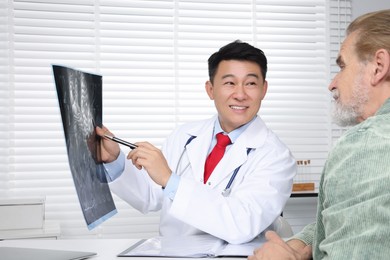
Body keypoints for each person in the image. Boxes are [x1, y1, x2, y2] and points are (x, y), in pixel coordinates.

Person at [96, 40, 296, 244]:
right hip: (174, 255)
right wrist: (114, 159)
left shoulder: (276, 156)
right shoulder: (184, 135)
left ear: (264, 89)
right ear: (210, 89)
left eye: (251, 83)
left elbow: (242, 224)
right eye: (229, 83)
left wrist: (169, 179)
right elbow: (150, 196)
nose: (240, 94)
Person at [248, 9, 390, 259]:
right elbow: (356, 220)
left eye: (343, 66)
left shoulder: (369, 143)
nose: (332, 83)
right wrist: (303, 242)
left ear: (378, 67)